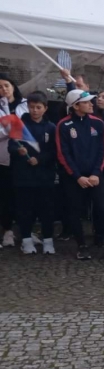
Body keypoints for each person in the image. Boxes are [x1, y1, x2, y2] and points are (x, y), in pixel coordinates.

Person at [55, 89, 104, 261]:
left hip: (96, 176)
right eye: (87, 102)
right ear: (76, 105)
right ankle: (82, 246)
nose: (92, 104)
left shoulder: (98, 123)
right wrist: (77, 176)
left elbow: (103, 150)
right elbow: (63, 153)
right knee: (75, 211)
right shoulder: (64, 125)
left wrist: (96, 173)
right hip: (74, 178)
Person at [9, 92, 57, 254]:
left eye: (38, 107)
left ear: (45, 108)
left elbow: (54, 151)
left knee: (47, 210)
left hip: (45, 177)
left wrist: (40, 159)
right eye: (31, 107)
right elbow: (11, 146)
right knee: (25, 210)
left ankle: (48, 241)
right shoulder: (19, 125)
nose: (35, 110)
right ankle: (26, 240)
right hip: (23, 177)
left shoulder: (51, 128)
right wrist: (19, 151)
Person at [0, 73, 28, 247]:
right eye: (0, 87)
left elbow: (31, 126)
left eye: (6, 85)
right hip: (3, 158)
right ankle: (7, 230)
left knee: (25, 196)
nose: (4, 89)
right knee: (5, 196)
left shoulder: (25, 104)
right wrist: (9, 128)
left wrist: (9, 126)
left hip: (25, 158)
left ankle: (26, 230)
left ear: (13, 86)